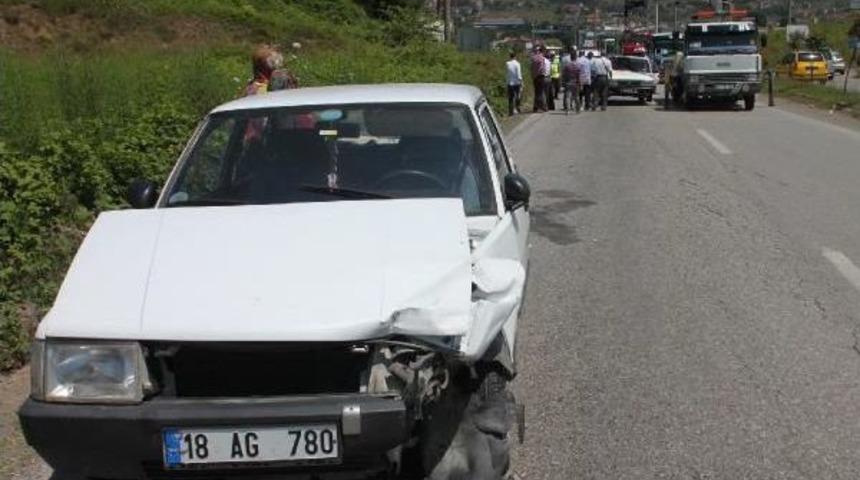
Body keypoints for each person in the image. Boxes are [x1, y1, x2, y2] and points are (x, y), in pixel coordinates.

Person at [561, 47, 581, 114]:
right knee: (576, 97)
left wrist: (563, 82)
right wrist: (579, 83)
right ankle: (577, 109)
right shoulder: (578, 65)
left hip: (568, 82)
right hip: (575, 82)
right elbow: (579, 75)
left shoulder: (567, 65)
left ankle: (567, 110)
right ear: (575, 57)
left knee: (567, 97)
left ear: (570, 57)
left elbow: (564, 74)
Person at [530, 47, 547, 112]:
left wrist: (533, 76)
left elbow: (531, 68)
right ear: (541, 51)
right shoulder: (542, 58)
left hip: (535, 77)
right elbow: (542, 68)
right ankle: (542, 107)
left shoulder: (533, 58)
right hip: (541, 76)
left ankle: (535, 107)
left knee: (536, 92)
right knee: (541, 92)